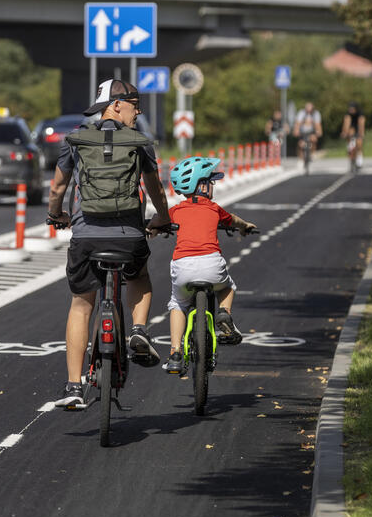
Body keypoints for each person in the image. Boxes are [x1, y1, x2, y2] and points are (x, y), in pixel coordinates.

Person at [47, 79, 171, 408]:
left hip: (86, 238)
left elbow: (57, 189)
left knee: (81, 305)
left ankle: (74, 387)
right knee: (140, 275)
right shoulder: (139, 141)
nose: (138, 111)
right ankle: (140, 330)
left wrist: (55, 215)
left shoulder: (75, 139)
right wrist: (162, 217)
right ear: (116, 106)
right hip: (129, 237)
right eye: (134, 104)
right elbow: (155, 187)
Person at [155, 157, 257, 373]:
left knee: (177, 304)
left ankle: (175, 354)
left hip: (182, 266)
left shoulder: (175, 210)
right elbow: (234, 220)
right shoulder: (214, 209)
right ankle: (224, 313)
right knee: (228, 287)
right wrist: (244, 226)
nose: (213, 185)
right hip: (212, 264)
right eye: (211, 181)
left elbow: (157, 221)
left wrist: (153, 229)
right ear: (202, 185)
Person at [340, 101, 365, 169]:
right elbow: (346, 124)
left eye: (352, 109)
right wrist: (344, 132)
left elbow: (361, 124)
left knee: (359, 143)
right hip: (351, 128)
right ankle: (351, 156)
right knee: (350, 142)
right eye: (350, 109)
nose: (351, 110)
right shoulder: (348, 115)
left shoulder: (360, 114)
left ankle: (359, 160)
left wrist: (361, 134)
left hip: (357, 128)